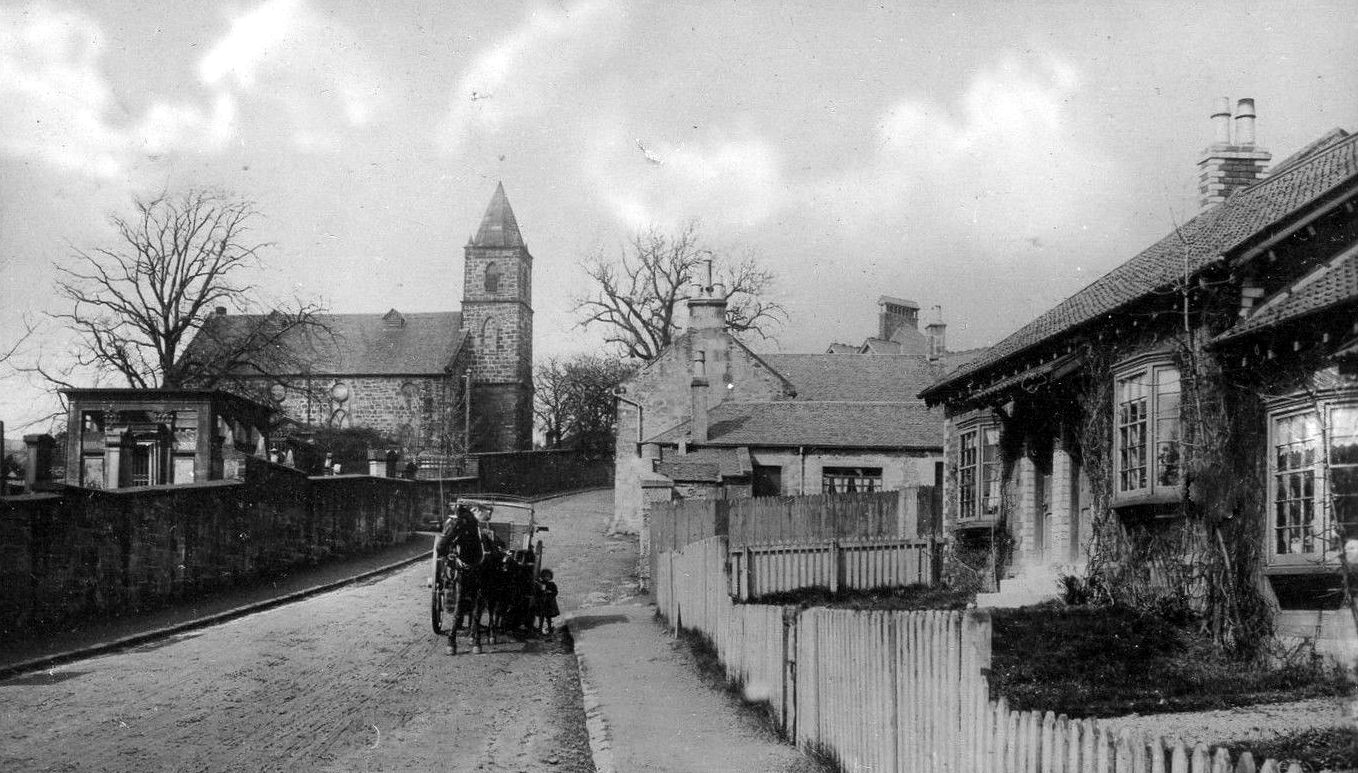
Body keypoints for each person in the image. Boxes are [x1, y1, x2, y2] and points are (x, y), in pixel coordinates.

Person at [535, 569, 560, 636]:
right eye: (544, 576)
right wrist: (541, 591)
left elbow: (555, 592)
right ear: (542, 576)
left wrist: (550, 592)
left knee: (548, 617)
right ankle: (540, 628)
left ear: (550, 577)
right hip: (542, 602)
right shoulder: (540, 584)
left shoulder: (552, 584)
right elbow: (537, 592)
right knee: (541, 616)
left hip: (549, 603)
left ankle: (549, 628)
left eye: (548, 576)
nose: (546, 578)